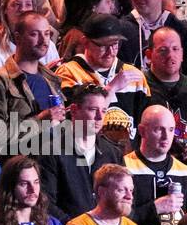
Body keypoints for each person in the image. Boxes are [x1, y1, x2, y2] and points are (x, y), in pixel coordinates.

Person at [0, 10, 65, 158]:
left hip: (52, 168)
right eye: (34, 34)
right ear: (18, 38)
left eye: (47, 34)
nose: (44, 41)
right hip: (18, 172)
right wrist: (40, 121)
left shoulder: (52, 79)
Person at [54, 13, 150, 145]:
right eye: (103, 46)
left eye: (115, 44)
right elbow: (71, 120)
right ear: (85, 42)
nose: (110, 51)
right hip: (86, 154)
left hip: (127, 158)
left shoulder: (133, 75)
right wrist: (112, 88)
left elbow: (145, 123)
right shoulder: (68, 72)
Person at [123, 105, 187, 225]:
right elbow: (115, 219)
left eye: (171, 130)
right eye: (159, 129)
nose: (166, 137)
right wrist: (155, 208)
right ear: (142, 131)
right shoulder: (124, 169)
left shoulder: (186, 173)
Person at [142, 27, 187, 151]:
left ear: (182, 54)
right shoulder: (138, 87)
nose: (170, 55)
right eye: (163, 50)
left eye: (175, 49)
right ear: (149, 55)